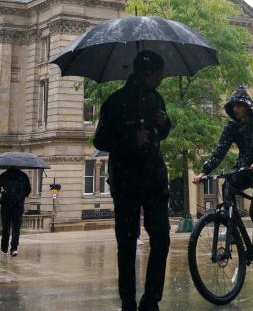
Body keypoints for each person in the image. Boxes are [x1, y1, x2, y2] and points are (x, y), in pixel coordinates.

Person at [96, 50, 172, 311]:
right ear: (146, 73)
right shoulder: (115, 102)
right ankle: (128, 301)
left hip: (154, 180)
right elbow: (100, 140)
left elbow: (161, 133)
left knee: (161, 239)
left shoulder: (156, 98)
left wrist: (164, 123)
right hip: (126, 181)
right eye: (159, 74)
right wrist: (131, 139)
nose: (162, 78)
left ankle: (151, 299)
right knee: (127, 243)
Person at [194, 86, 253, 277]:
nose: (235, 109)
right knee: (228, 185)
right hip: (246, 168)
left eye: (239, 105)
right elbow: (220, 149)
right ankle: (232, 226)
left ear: (247, 106)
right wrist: (204, 171)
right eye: (233, 106)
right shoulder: (231, 127)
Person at [0, 167, 31, 256]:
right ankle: (14, 248)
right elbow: (28, 191)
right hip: (18, 205)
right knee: (16, 228)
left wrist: (7, 194)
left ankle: (4, 248)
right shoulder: (24, 176)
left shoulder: (3, 175)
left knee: (6, 228)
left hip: (6, 205)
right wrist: (21, 196)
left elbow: (0, 189)